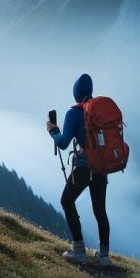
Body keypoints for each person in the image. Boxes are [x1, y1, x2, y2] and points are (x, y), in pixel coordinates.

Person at [46, 73, 110, 266]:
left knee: (66, 201)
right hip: (101, 167)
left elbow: (64, 143)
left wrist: (53, 131)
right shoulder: (101, 111)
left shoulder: (73, 113)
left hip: (83, 167)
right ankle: (104, 256)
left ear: (75, 93)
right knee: (100, 210)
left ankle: (79, 251)